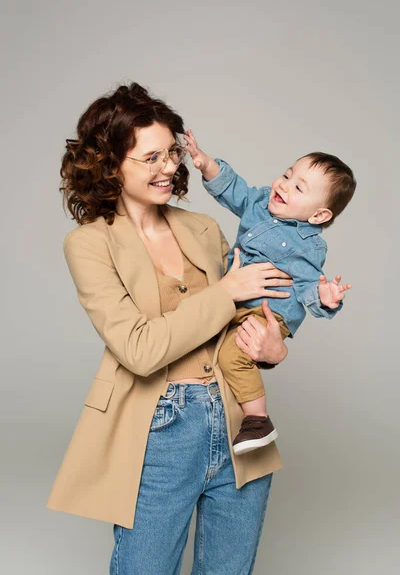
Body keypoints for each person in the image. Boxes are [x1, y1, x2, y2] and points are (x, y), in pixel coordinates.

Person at [46, 82, 293, 575]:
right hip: (158, 429)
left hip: (239, 423)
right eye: (151, 157)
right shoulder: (89, 245)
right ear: (112, 163)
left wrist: (274, 347)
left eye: (173, 153)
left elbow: (245, 320)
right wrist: (227, 293)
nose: (170, 167)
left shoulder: (203, 227)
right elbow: (139, 348)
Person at [184, 130, 356, 455]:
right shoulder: (261, 203)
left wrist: (325, 296)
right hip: (237, 296)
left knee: (232, 354)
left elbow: (308, 283)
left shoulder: (309, 246)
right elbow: (235, 190)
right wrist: (205, 163)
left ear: (319, 215)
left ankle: (258, 420)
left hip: (269, 312)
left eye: (298, 188)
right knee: (200, 327)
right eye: (287, 175)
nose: (284, 185)